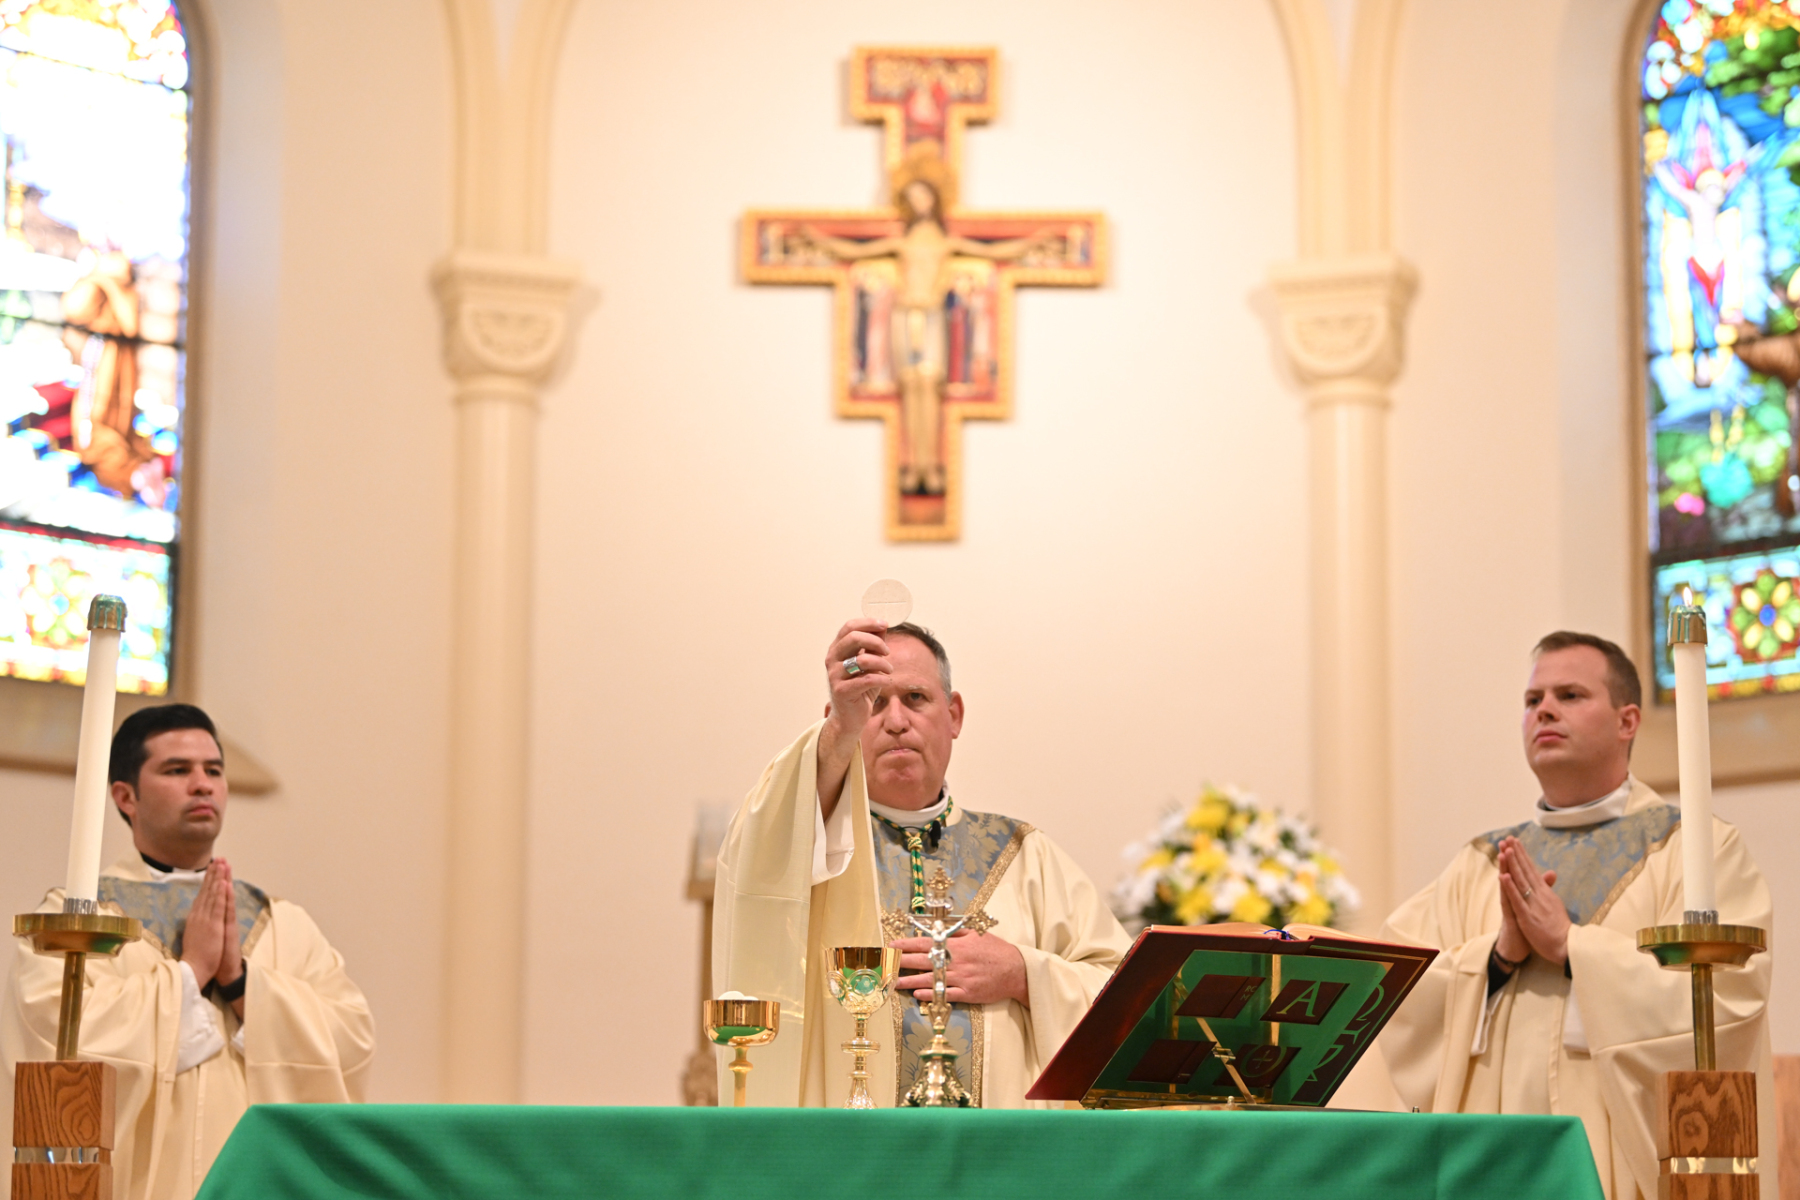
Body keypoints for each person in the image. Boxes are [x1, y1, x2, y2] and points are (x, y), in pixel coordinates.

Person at [1379, 632, 1775, 1200]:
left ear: (1627, 721)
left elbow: (1726, 1004)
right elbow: (1398, 989)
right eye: (1532, 699)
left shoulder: (1695, 851)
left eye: (1569, 695)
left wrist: (1572, 947)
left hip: (1618, 1162)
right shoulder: (1479, 863)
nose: (1544, 709)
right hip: (1492, 1159)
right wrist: (1496, 958)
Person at [712, 618, 1130, 1107]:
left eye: (915, 698)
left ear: (953, 715)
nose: (895, 720)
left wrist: (1022, 972)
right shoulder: (808, 847)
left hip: (998, 1150)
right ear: (838, 720)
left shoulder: (1026, 855)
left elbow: (1129, 999)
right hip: (850, 1148)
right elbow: (757, 865)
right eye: (872, 703)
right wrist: (839, 731)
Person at [2, 704, 375, 1200]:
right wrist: (190, 973)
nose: (202, 785)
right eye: (177, 770)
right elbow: (57, 1044)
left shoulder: (282, 922)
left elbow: (352, 1040)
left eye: (213, 771)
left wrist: (242, 983)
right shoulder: (77, 922)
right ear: (125, 796)